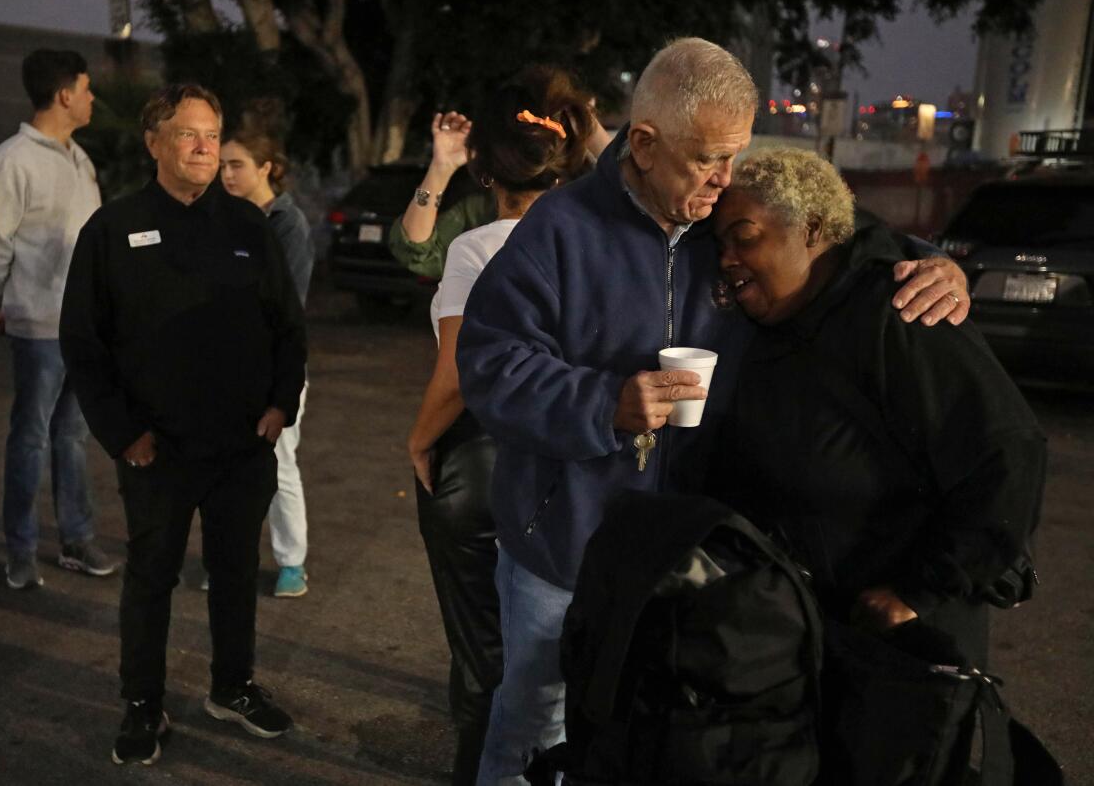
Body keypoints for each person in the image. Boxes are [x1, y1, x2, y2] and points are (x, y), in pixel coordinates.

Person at [454, 38, 973, 785]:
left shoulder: (732, 215)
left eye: (735, 156)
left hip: (697, 550)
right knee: (536, 720)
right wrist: (606, 403)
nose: (725, 181)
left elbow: (837, 238)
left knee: (658, 724)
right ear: (643, 143)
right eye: (707, 160)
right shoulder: (557, 231)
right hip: (565, 548)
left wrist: (932, 258)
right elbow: (491, 366)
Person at [705, 147, 1045, 780]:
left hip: (904, 648)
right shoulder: (779, 320)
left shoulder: (904, 310)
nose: (726, 259)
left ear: (810, 232)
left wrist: (918, 593)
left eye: (742, 237)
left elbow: (1008, 452)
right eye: (718, 242)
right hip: (813, 638)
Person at [59, 84, 306, 766]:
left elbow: (289, 326)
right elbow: (82, 343)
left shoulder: (250, 226)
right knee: (151, 580)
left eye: (212, 134)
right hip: (156, 451)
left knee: (235, 574)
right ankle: (142, 704)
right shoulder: (112, 230)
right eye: (189, 134)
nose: (204, 147)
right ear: (155, 143)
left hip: (241, 447)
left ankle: (233, 687)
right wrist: (123, 434)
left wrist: (280, 405)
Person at [406, 69, 598, 786]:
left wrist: (419, 440)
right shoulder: (593, 242)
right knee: (552, 655)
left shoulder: (478, 247)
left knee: (485, 660)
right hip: (569, 464)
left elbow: (456, 374)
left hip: (479, 463)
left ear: (488, 172)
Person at [0, 49, 114, 590]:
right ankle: (21, 550)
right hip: (41, 332)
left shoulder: (78, 158)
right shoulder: (11, 163)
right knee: (30, 438)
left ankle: (76, 540)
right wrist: (15, 300)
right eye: (87, 86)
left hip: (84, 331)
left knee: (72, 436)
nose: (93, 96)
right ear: (64, 94)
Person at [388, 75, 614, 281]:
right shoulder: (483, 208)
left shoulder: (587, 204)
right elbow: (417, 251)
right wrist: (441, 166)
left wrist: (589, 126)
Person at [220, 126, 315, 598]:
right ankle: (232, 557)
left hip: (277, 364)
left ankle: (292, 562)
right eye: (222, 165)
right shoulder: (224, 217)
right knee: (230, 466)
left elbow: (288, 306)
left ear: (265, 168)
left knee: (279, 462)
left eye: (236, 164)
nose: (226, 174)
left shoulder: (286, 222)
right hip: (231, 363)